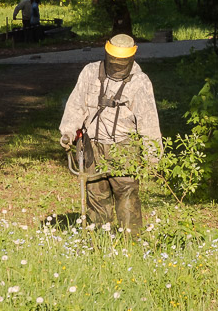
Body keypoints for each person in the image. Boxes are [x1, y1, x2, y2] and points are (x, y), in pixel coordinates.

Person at [58, 34, 161, 233]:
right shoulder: (90, 73)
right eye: (114, 60)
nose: (117, 65)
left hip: (125, 148)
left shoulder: (140, 82)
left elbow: (149, 122)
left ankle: (130, 245)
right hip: (92, 146)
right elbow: (75, 106)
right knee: (96, 198)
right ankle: (98, 242)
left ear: (131, 57)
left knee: (127, 197)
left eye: (121, 62)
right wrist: (68, 132)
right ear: (107, 53)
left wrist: (153, 155)